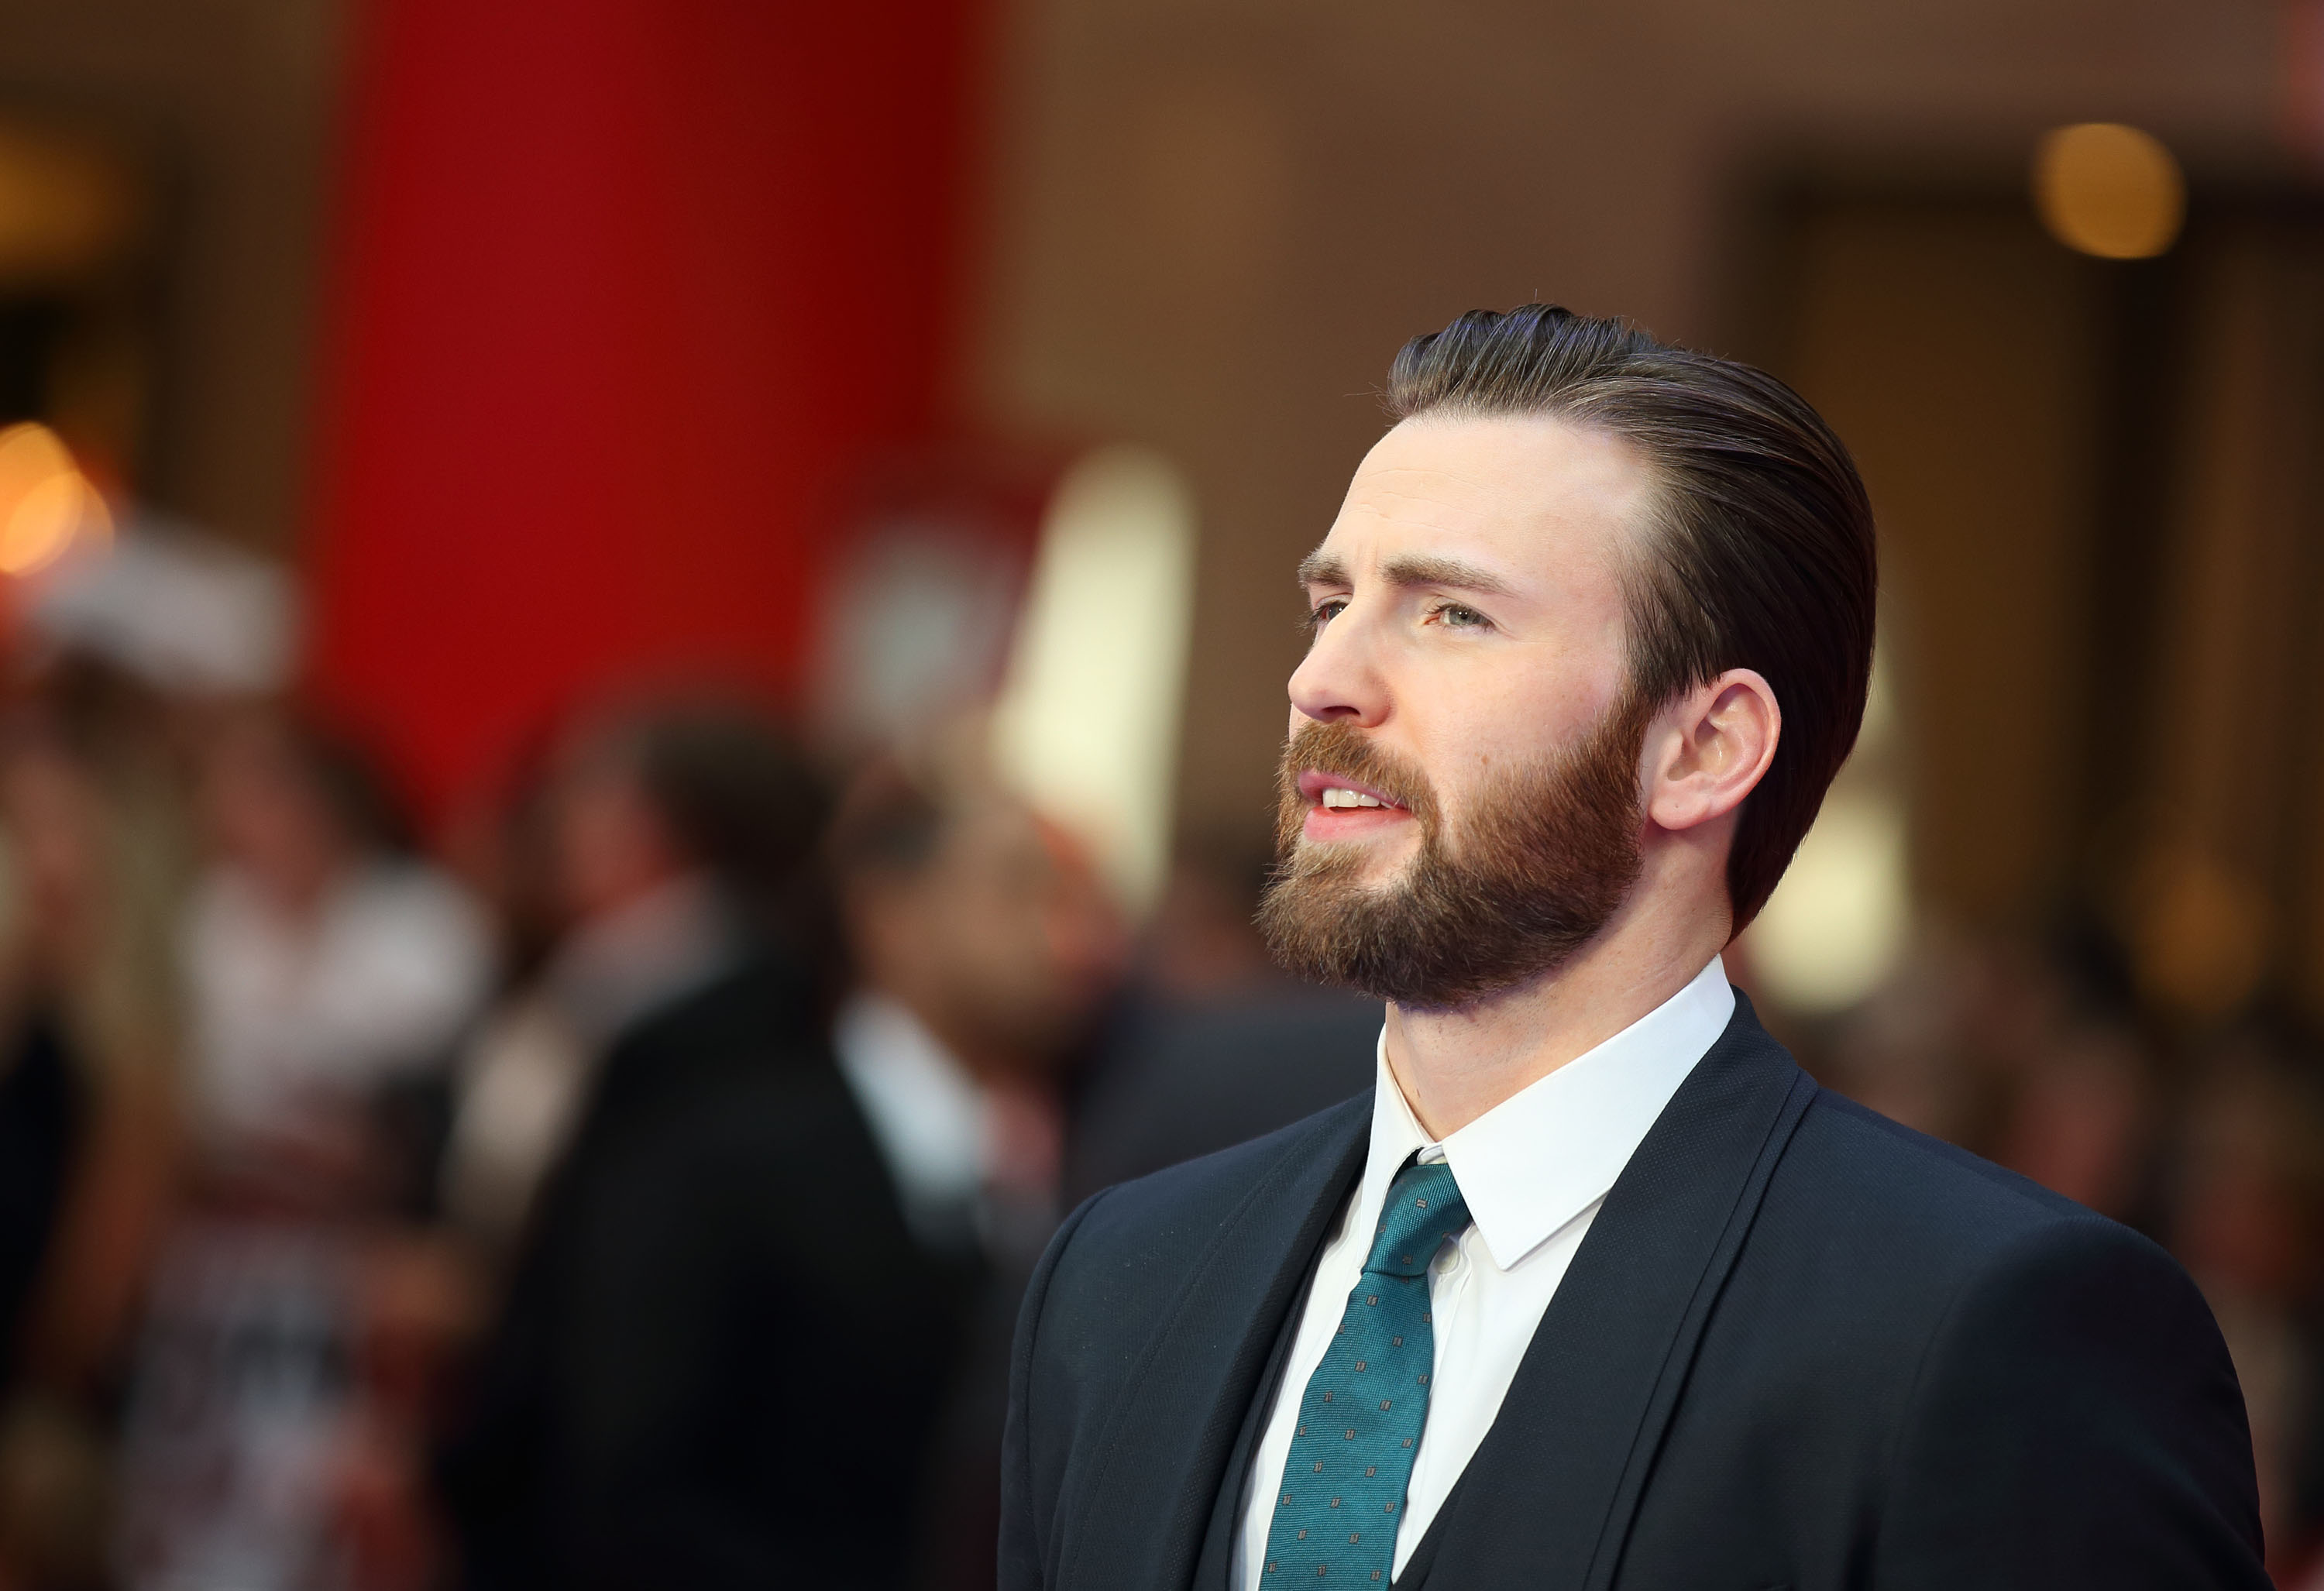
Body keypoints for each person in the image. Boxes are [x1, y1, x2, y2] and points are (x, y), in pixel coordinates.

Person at [999, 305, 2267, 1589]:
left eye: (1450, 614)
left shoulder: (1989, 1329)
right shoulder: (1123, 1279)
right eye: (1331, 601)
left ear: (1704, 746)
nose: (1324, 676)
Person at [436, 701, 971, 1590]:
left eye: (590, 793)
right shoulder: (663, 982)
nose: (560, 821)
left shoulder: (686, 1012)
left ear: (657, 826)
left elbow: (608, 1315)